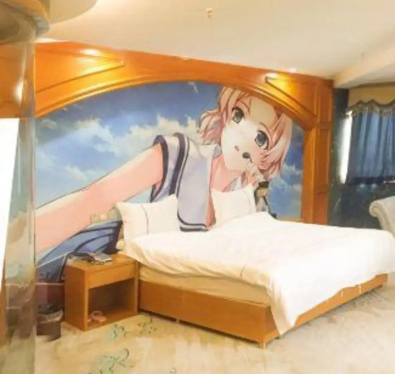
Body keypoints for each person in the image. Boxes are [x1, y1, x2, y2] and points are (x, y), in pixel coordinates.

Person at [34, 87, 293, 255]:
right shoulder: (178, 154)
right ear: (226, 115)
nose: (242, 135)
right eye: (238, 114)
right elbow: (92, 199)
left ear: (269, 155)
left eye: (261, 138)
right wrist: (19, 244)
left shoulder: (244, 190)